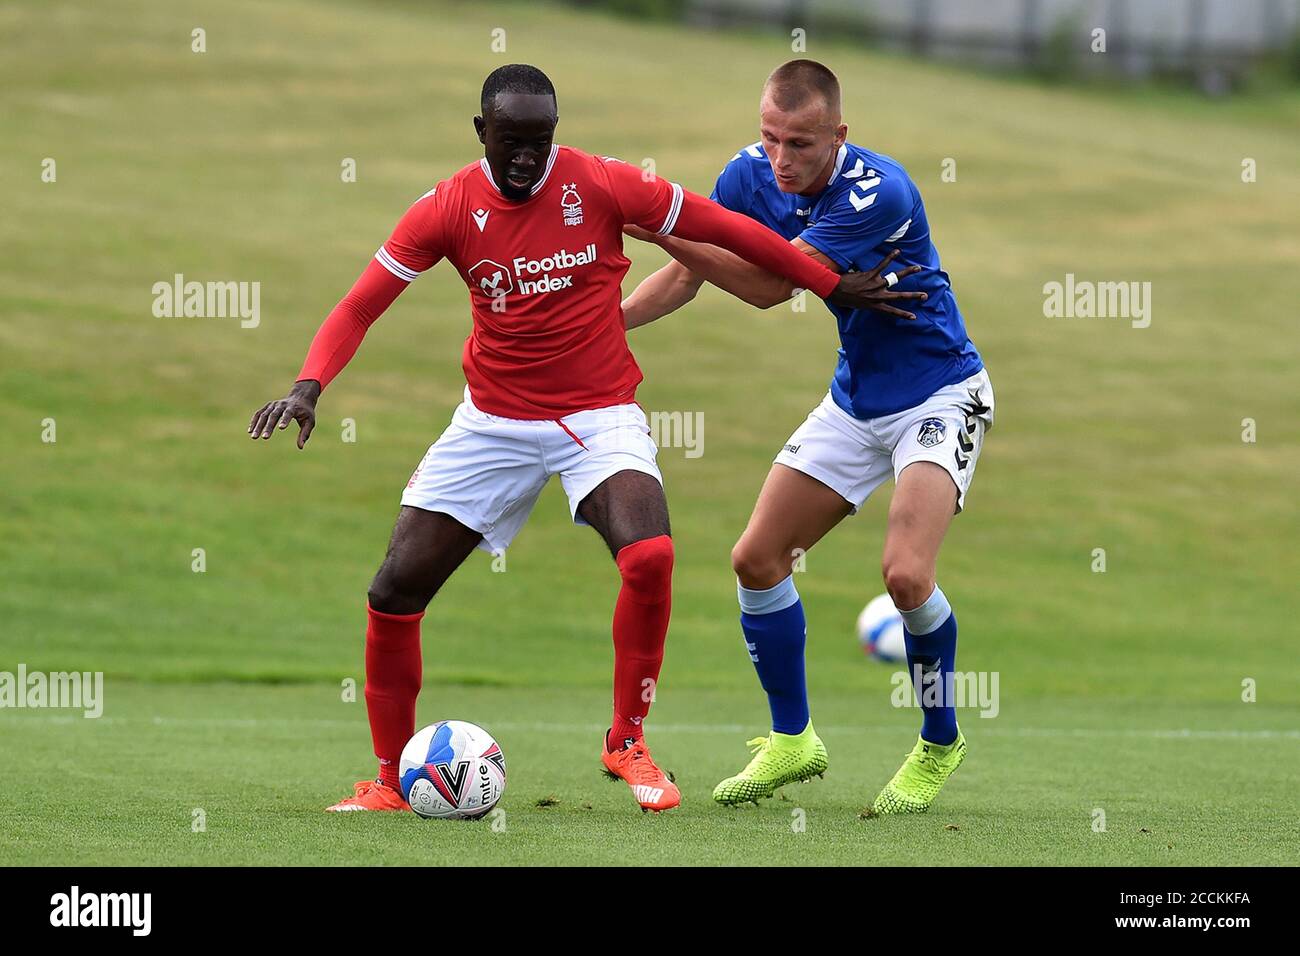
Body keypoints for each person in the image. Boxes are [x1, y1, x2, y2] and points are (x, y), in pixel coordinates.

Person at [247, 63, 916, 813]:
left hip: (597, 416)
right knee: (394, 590)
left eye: (541, 139)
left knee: (650, 554)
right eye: (511, 141)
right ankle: (390, 780)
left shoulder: (600, 184)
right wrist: (309, 385)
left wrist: (827, 284)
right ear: (482, 134)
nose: (528, 156)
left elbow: (719, 225)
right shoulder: (444, 209)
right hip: (491, 424)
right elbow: (360, 306)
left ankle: (626, 742)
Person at [621, 59, 993, 813]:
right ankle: (794, 741)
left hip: (940, 394)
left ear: (838, 136)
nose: (781, 160)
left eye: (800, 144)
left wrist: (661, 229)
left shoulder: (877, 192)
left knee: (905, 576)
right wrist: (603, 325)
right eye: (770, 138)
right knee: (756, 560)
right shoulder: (748, 176)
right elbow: (690, 277)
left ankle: (939, 742)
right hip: (855, 402)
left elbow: (765, 287)